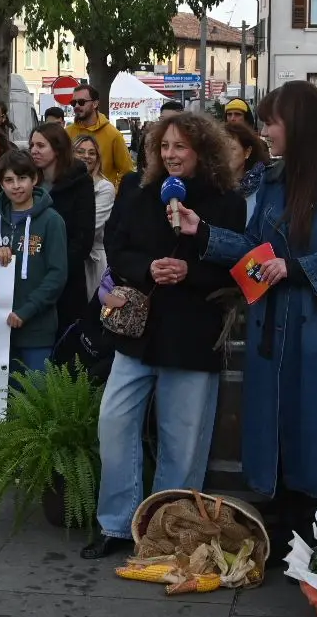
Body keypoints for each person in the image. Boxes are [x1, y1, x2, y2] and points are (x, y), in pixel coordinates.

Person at [178, 82, 317, 550]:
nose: (265, 130)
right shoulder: (274, 181)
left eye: (272, 121)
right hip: (277, 328)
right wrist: (203, 232)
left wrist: (297, 268)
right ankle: (290, 539)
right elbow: (255, 252)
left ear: (299, 124)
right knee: (279, 427)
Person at [84, 112, 246, 559]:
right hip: (139, 330)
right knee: (114, 423)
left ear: (202, 151)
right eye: (164, 146)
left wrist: (189, 270)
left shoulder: (227, 200)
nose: (171, 155)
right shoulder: (137, 189)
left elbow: (236, 262)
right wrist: (145, 268)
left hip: (193, 332)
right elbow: (116, 245)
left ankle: (169, 530)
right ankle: (117, 524)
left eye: (181, 147)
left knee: (183, 439)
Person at [0, 150, 68, 383]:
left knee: (37, 398)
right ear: (1, 184)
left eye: (22, 178)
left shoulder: (51, 220)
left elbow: (57, 275)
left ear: (34, 179)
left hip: (37, 328)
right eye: (8, 180)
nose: (16, 186)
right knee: (4, 399)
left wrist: (26, 311)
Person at [28, 123, 96, 334]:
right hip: (31, 273)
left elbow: (83, 237)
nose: (34, 150)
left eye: (41, 145)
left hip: (66, 278)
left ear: (57, 149)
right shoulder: (29, 181)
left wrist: (56, 268)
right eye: (32, 145)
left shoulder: (80, 182)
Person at [71, 135, 116, 301]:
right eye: (80, 151)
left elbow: (92, 227)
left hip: (93, 261)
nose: (86, 156)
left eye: (91, 153)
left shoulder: (105, 187)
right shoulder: (66, 183)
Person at [67, 84, 134, 189]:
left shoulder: (113, 134)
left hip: (103, 200)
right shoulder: (67, 132)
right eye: (73, 103)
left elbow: (127, 172)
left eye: (81, 102)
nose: (76, 106)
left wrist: (114, 193)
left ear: (95, 104)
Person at [225, 119, 271, 222]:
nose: (224, 154)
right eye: (221, 148)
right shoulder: (213, 187)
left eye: (231, 149)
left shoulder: (265, 186)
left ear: (247, 152)